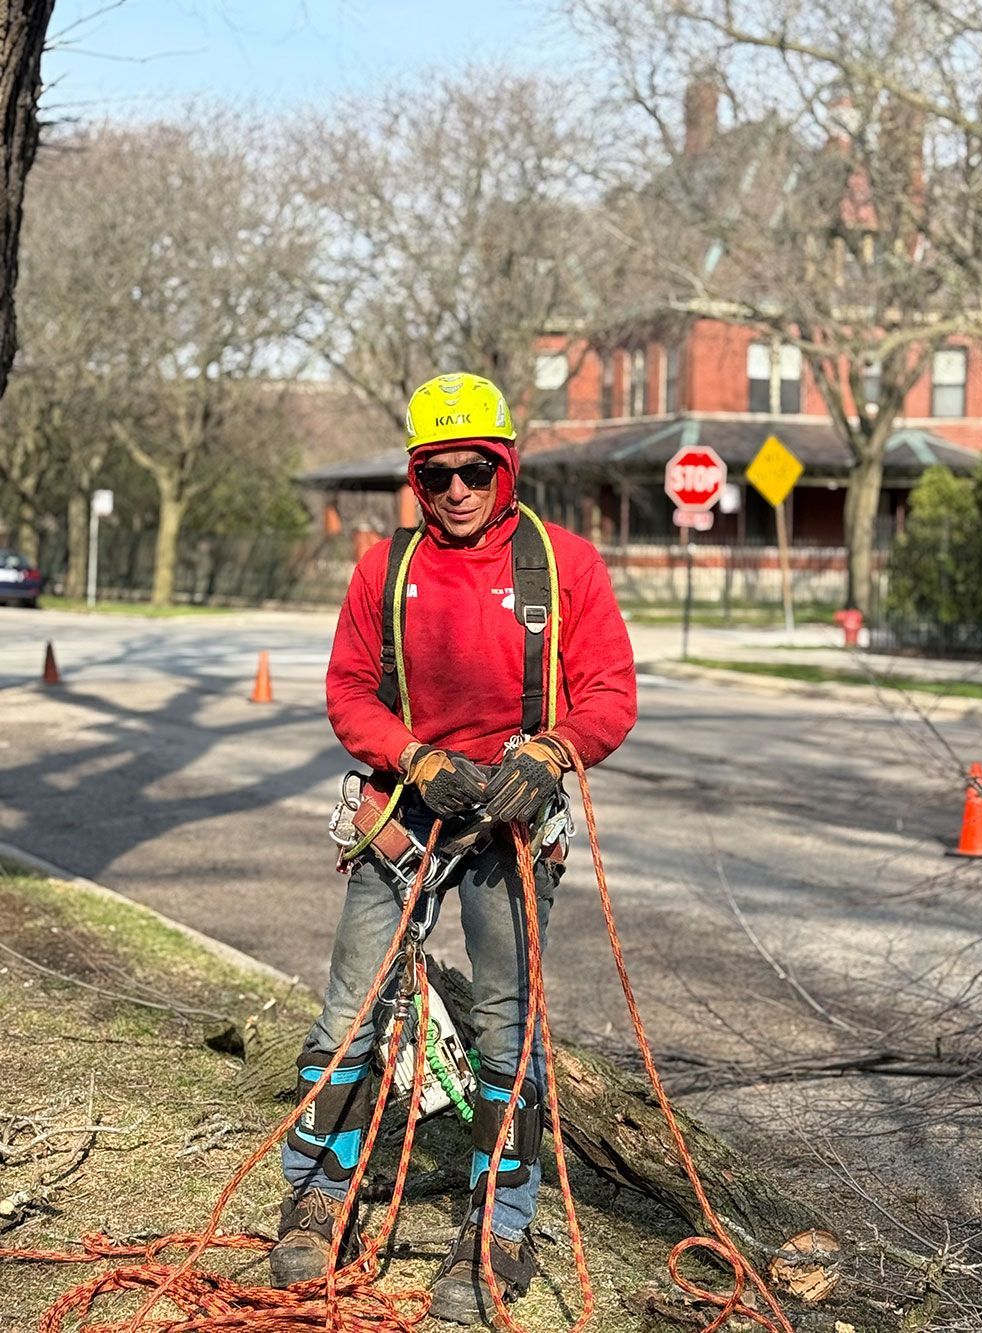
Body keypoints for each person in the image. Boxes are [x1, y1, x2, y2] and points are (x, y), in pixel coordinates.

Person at [270, 371, 637, 1324]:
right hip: (404, 816)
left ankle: (496, 1228)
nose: (460, 490)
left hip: (511, 833)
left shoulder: (566, 570)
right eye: (439, 474)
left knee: (505, 1031)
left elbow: (612, 693)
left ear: (506, 465)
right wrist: (414, 757)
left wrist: (555, 752)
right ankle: (319, 1196)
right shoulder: (383, 570)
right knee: (351, 1008)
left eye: (478, 469)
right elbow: (350, 691)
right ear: (416, 478)